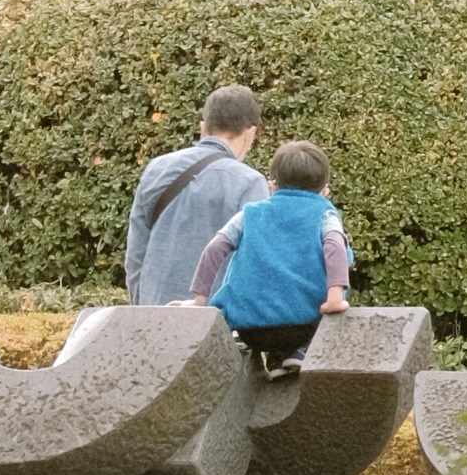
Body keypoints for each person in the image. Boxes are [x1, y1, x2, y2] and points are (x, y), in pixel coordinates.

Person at [207, 141, 353, 364]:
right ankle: (302, 351)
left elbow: (215, 247)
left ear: (272, 186)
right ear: (325, 191)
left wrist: (199, 299)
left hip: (249, 328)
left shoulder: (250, 215)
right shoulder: (324, 214)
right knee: (320, 295)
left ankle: (277, 360)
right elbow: (336, 248)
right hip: (303, 326)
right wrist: (334, 298)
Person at [123, 87, 268, 306]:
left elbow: (135, 255)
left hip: (153, 315)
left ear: (202, 128)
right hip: (212, 321)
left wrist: (142, 304)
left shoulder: (156, 169)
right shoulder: (250, 183)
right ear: (250, 134)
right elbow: (254, 264)